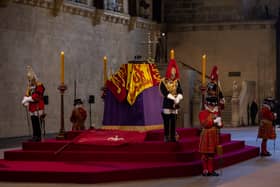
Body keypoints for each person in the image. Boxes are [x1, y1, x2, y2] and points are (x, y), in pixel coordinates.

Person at [199, 66, 224, 176]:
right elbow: (205, 123)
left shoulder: (216, 112)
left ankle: (211, 169)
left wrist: (219, 123)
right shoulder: (203, 113)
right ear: (207, 104)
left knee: (212, 154)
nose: (213, 107)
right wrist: (214, 122)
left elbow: (220, 125)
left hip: (214, 135)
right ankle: (205, 169)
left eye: (214, 105)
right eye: (211, 105)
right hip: (207, 134)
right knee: (205, 154)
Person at [160, 58, 183, 142]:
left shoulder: (177, 82)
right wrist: (174, 98)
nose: (173, 73)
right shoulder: (163, 81)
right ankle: (166, 135)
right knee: (166, 120)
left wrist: (178, 98)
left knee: (173, 120)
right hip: (167, 102)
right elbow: (164, 92)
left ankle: (173, 136)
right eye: (172, 71)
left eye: (174, 71)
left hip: (175, 104)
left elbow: (180, 91)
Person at [21, 66, 45, 142]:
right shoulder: (30, 86)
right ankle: (34, 135)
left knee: (38, 122)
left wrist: (27, 99)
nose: (30, 81)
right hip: (32, 107)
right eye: (29, 80)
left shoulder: (40, 85)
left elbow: (37, 96)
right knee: (33, 122)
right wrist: (25, 101)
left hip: (38, 106)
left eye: (31, 79)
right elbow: (27, 94)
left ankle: (38, 136)